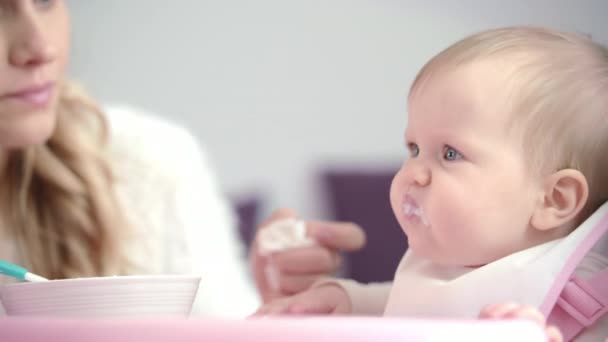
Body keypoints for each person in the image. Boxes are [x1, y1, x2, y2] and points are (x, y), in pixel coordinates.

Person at [252, 27, 608, 341]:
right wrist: (349, 301)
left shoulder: (581, 305)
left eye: (450, 154)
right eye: (414, 148)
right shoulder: (461, 263)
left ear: (553, 199)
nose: (413, 173)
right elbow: (418, 304)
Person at [0, 0, 258, 317]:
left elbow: (233, 326)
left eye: (44, 1)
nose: (41, 48)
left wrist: (282, 315)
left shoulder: (148, 162)